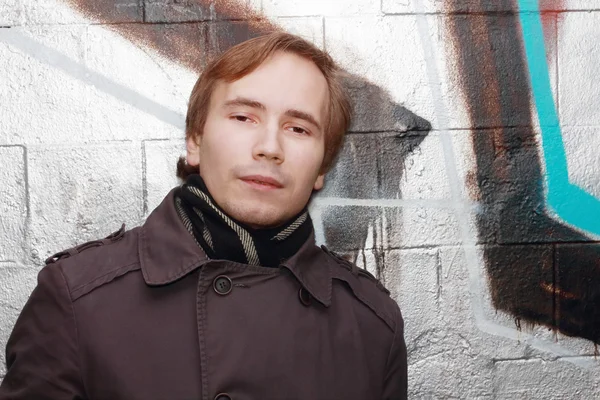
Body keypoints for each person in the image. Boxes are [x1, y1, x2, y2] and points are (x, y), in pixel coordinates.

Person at [0, 32, 407, 400]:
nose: (269, 146)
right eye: (244, 117)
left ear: (321, 168)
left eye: (299, 128)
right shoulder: (76, 298)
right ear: (195, 141)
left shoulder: (372, 325)